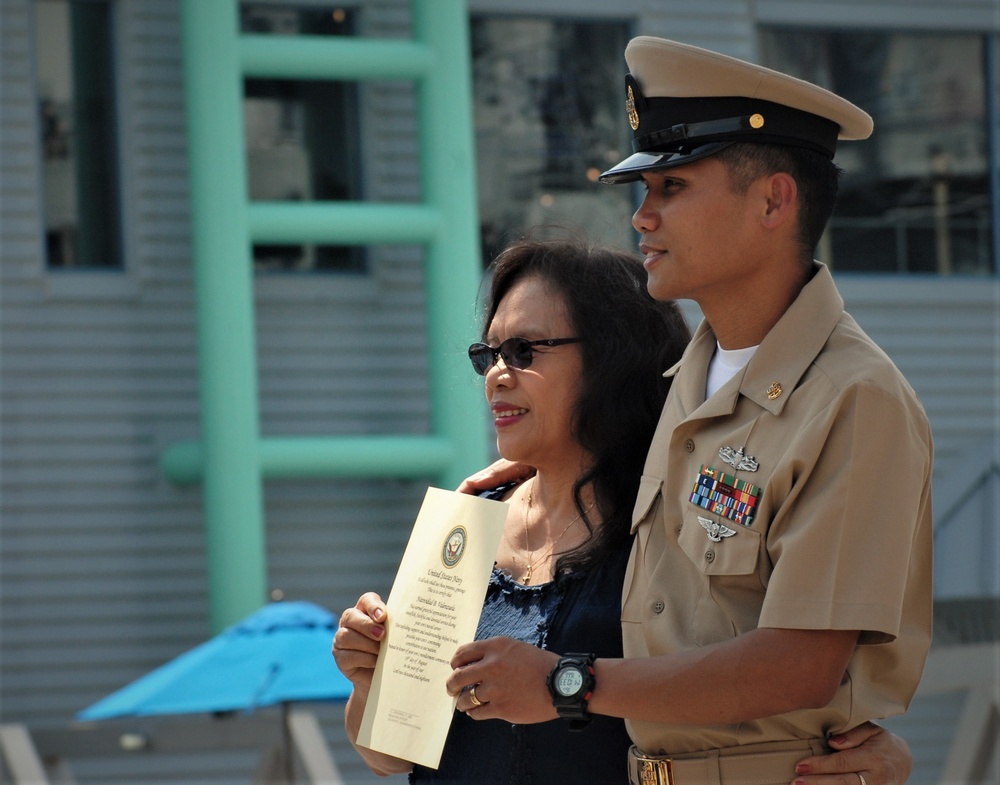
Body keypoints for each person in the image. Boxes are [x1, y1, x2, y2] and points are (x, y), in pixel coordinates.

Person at [448, 37, 933, 785]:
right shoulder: (691, 378)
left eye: (671, 188)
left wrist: (562, 683)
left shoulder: (851, 396)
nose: (642, 218)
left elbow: (800, 665)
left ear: (774, 199)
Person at [333, 239, 915, 784]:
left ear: (614, 360)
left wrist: (839, 749)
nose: (496, 375)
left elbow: (778, 676)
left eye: (524, 351)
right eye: (487, 353)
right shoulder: (467, 519)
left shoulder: (675, 520)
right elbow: (388, 750)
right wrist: (368, 680)